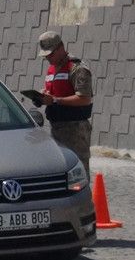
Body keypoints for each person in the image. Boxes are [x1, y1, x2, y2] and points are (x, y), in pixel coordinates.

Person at [38, 31, 94, 175]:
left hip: (75, 129)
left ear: (60, 48)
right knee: (60, 170)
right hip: (56, 127)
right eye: (46, 56)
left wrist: (55, 100)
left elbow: (84, 98)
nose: (48, 59)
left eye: (50, 54)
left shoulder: (77, 68)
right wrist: (42, 97)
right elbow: (54, 93)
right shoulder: (51, 69)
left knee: (78, 170)